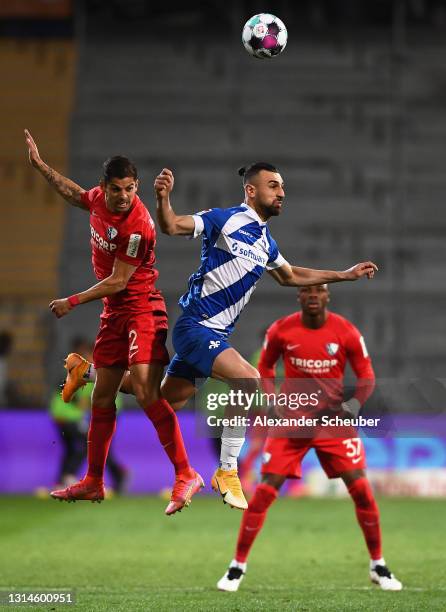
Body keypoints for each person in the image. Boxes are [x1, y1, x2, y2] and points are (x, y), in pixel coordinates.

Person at [63, 162, 378, 511]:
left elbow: (289, 276)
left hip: (212, 333)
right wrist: (163, 199)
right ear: (251, 190)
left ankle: (87, 373)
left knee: (160, 396)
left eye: (282, 186)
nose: (282, 192)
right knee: (249, 379)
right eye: (273, 185)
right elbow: (171, 225)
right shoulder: (224, 219)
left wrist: (344, 274)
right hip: (196, 327)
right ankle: (227, 471)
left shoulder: (265, 242)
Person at [24, 129, 202, 515]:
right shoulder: (99, 201)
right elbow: (76, 195)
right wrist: (41, 168)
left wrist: (72, 300)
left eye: (131, 189)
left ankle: (186, 472)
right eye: (118, 189)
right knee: (102, 397)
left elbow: (120, 281)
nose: (125, 196)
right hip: (114, 315)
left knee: (144, 389)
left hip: (142, 309)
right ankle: (93, 480)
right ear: (104, 187)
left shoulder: (137, 223)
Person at [217, 284, 402, 592]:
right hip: (292, 422)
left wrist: (353, 405)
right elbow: (263, 367)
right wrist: (271, 398)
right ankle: (237, 567)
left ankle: (378, 565)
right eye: (308, 291)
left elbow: (366, 375)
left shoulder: (346, 332)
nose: (314, 295)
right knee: (264, 493)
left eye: (320, 291)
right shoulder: (281, 330)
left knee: (362, 491)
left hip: (332, 424)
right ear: (299, 297)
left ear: (328, 296)